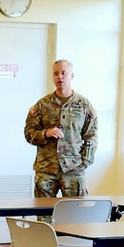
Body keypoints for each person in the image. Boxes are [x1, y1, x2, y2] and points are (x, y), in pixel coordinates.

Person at [24, 59, 98, 198]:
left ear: (72, 76)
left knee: (76, 214)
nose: (60, 77)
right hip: (46, 169)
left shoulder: (84, 105)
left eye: (64, 73)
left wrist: (84, 162)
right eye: (56, 73)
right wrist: (46, 133)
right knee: (43, 216)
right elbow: (29, 133)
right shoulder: (42, 105)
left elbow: (91, 137)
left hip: (73, 169)